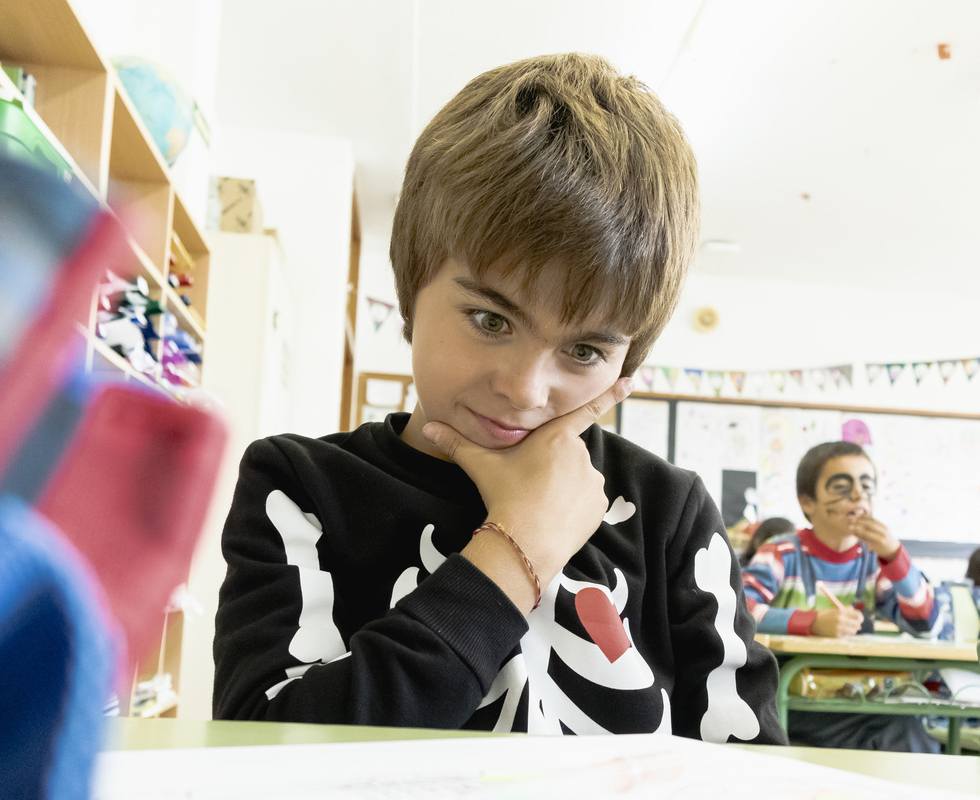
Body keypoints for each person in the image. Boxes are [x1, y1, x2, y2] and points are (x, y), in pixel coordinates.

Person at [212, 52, 785, 743]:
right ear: (410, 290)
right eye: (490, 320)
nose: (524, 389)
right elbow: (261, 748)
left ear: (625, 363)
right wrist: (520, 548)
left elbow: (751, 764)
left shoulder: (668, 512)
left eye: (584, 351)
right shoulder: (297, 485)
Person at [741, 440, 941, 752]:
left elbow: (925, 623)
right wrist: (811, 622)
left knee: (909, 728)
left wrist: (896, 557)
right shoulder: (781, 552)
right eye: (842, 487)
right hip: (782, 694)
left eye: (867, 487)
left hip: (852, 693)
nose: (859, 496)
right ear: (807, 502)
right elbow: (741, 608)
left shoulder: (874, 562)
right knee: (899, 732)